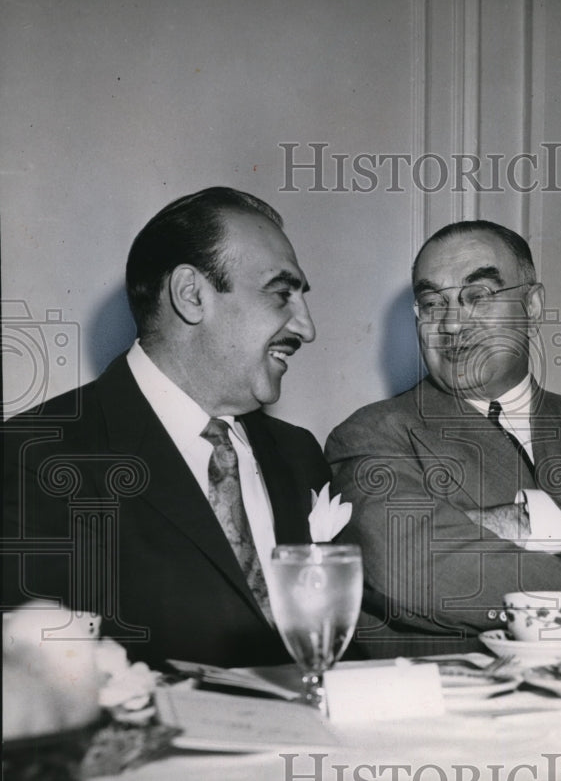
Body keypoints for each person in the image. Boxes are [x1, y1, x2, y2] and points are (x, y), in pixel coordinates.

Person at [326, 220, 561, 656]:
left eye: (478, 297)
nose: (451, 324)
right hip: (453, 704)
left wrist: (521, 522)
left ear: (532, 305)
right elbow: (399, 557)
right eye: (432, 303)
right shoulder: (373, 434)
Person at [2, 187, 331, 668]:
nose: (306, 327)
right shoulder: (36, 458)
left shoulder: (299, 454)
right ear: (191, 295)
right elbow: (42, 684)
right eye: (282, 294)